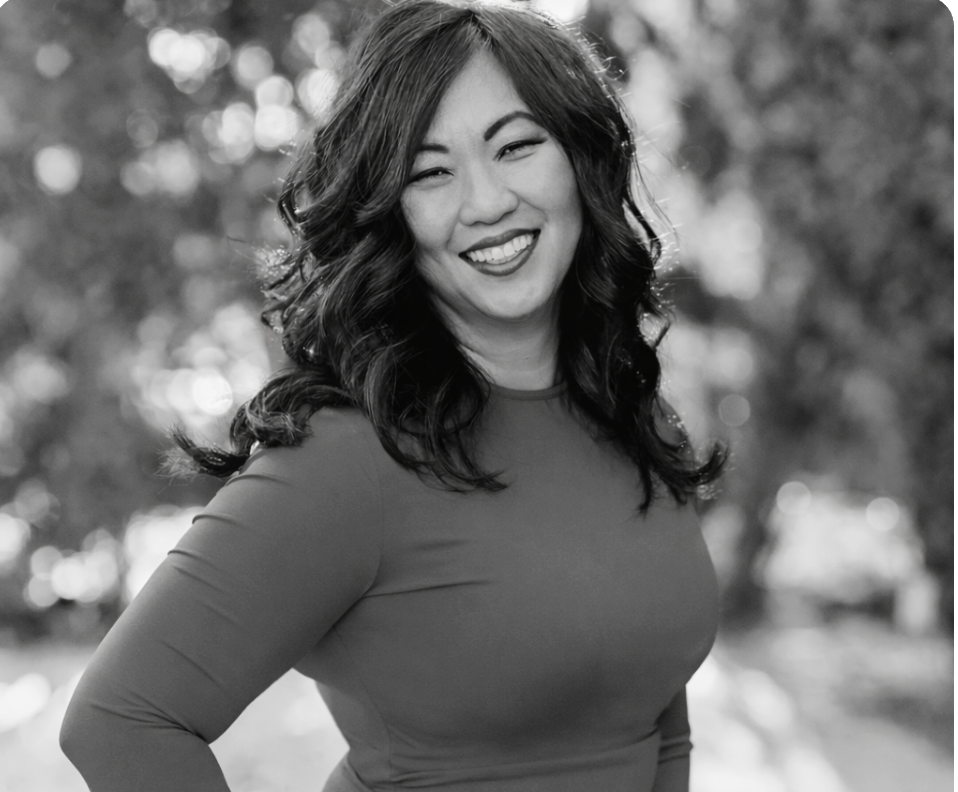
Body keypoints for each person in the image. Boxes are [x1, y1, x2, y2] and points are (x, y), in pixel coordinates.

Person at [60, 1, 726, 790]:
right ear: (389, 210)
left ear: (581, 158)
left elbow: (655, 711)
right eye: (430, 172)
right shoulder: (346, 461)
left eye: (516, 146)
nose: (485, 202)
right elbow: (120, 719)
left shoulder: (637, 413)